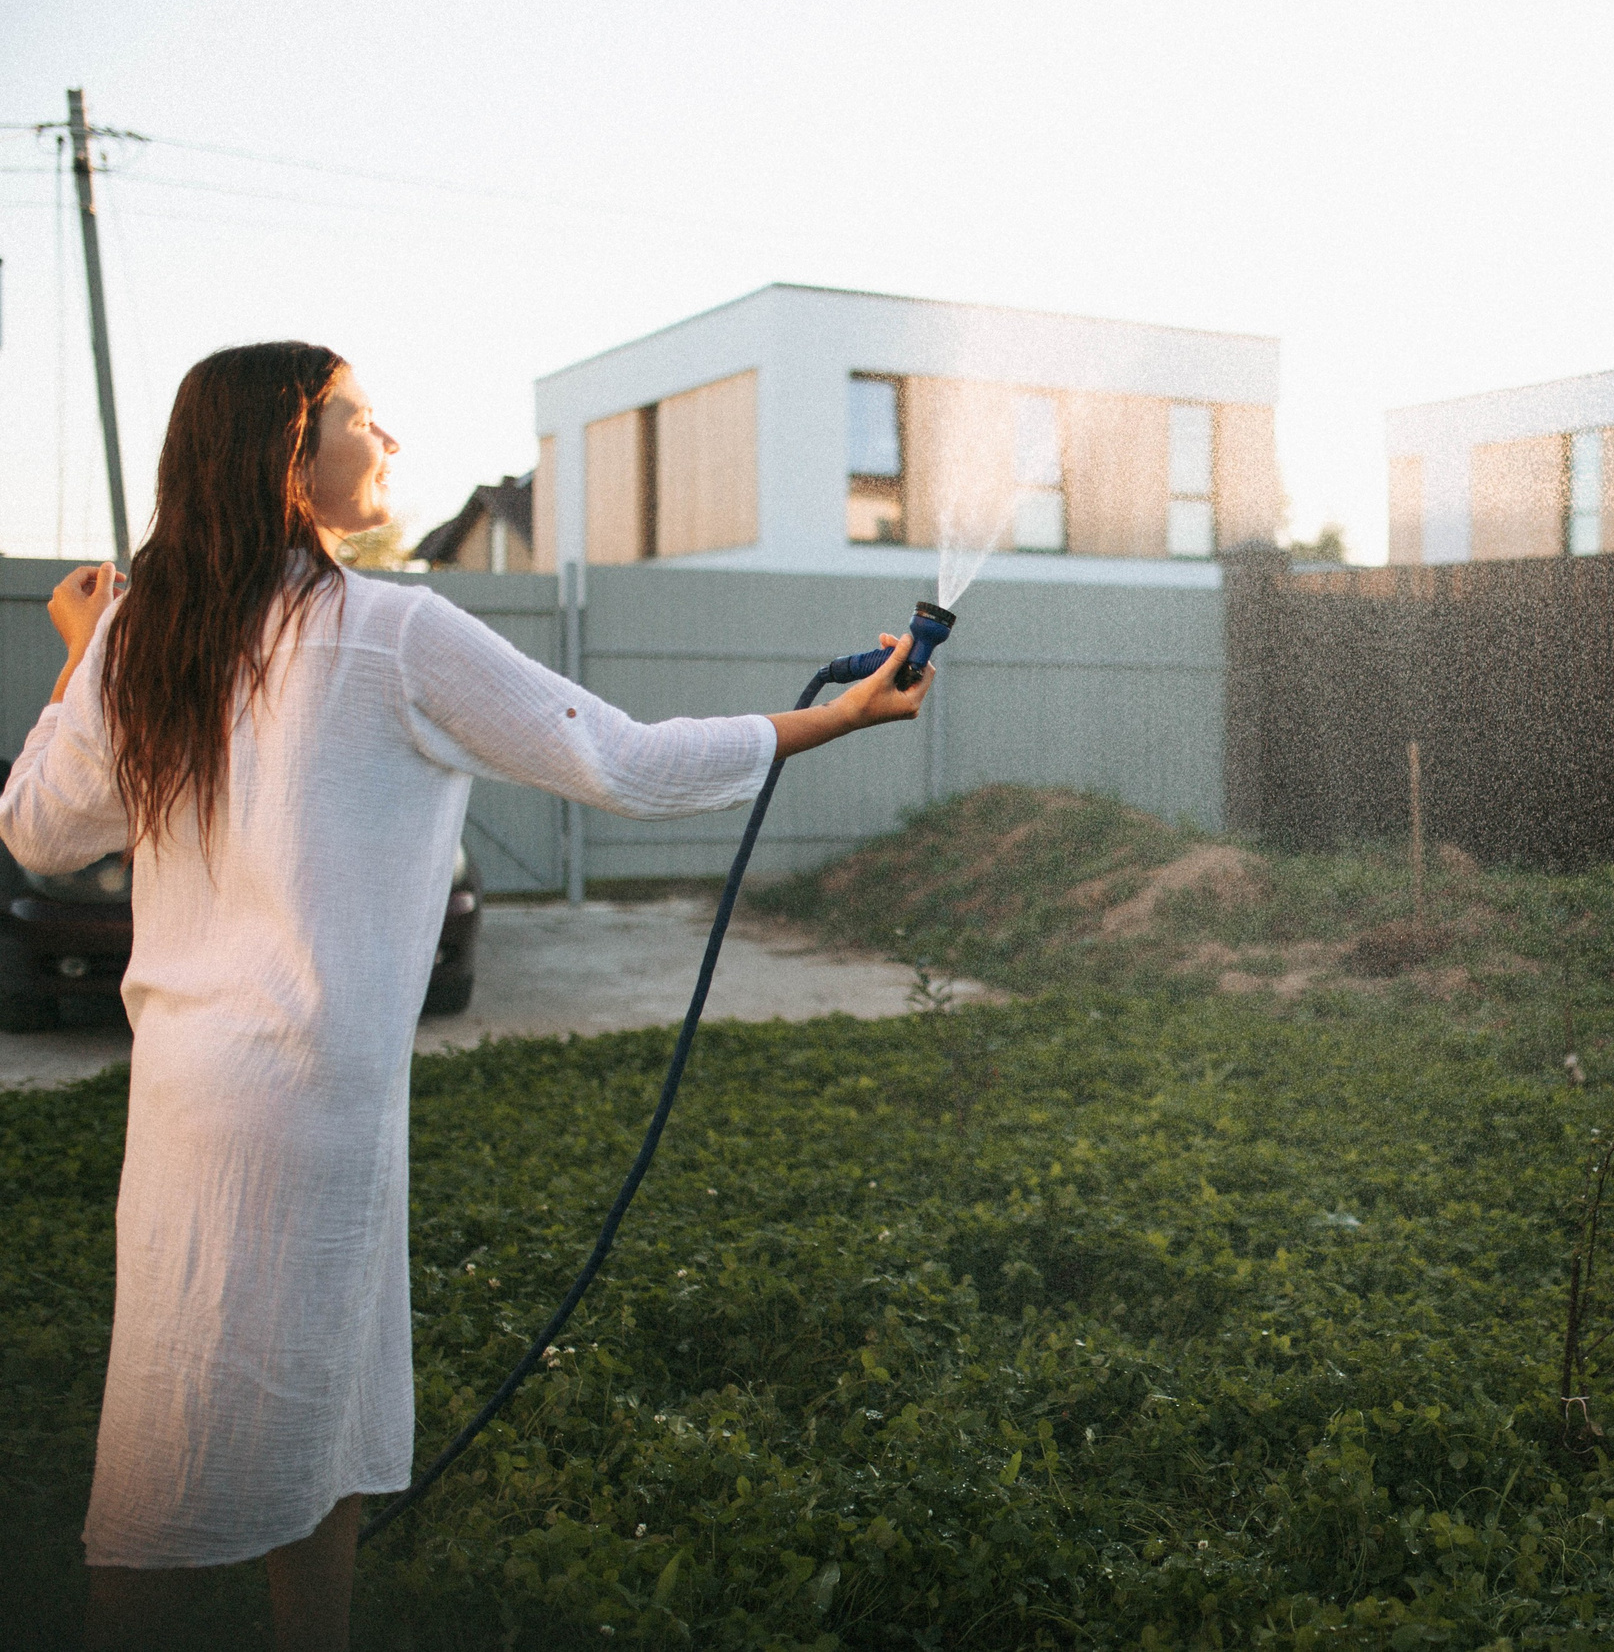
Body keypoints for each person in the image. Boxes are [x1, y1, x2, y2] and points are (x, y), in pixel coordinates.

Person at [0, 342, 931, 1651]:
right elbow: (623, 761)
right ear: (288, 455)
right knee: (232, 1446)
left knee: (242, 1422)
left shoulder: (145, 637)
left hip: (190, 1107)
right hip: (311, 1109)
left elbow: (37, 826)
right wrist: (838, 718)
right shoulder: (391, 632)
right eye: (362, 417)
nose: (388, 441)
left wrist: (80, 656)